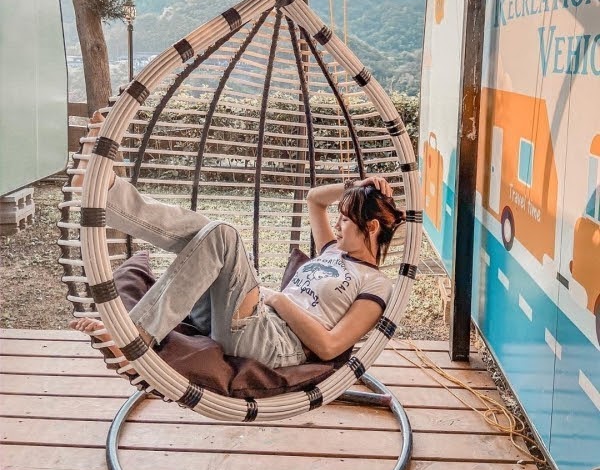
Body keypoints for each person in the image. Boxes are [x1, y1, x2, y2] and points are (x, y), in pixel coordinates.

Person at [71, 112, 406, 370]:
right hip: (242, 319)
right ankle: (107, 193)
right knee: (204, 229)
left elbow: (331, 347)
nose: (336, 223)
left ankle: (136, 334)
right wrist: (356, 186)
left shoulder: (375, 284)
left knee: (224, 234)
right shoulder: (333, 250)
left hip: (273, 342)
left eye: (345, 219)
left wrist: (278, 300)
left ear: (371, 227)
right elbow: (315, 199)